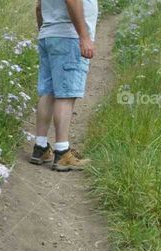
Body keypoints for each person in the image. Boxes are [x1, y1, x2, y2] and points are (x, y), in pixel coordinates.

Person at [30, 0, 99, 171]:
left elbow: (39, 7)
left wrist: (47, 33)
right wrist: (84, 36)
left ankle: (40, 147)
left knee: (48, 92)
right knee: (65, 96)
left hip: (48, 33)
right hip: (69, 36)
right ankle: (62, 152)